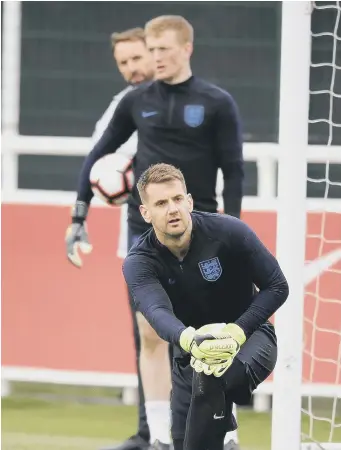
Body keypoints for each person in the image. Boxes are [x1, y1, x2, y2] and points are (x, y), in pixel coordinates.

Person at [65, 15, 244, 450]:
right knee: (150, 331)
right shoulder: (134, 101)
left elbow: (234, 173)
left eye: (163, 48)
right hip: (143, 232)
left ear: (186, 49)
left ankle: (226, 429)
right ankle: (160, 436)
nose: (155, 56)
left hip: (202, 228)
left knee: (213, 332)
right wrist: (78, 214)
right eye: (152, 47)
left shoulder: (217, 102)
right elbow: (98, 153)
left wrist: (234, 235)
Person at [122, 163, 289, 450]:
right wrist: (189, 339)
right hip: (191, 354)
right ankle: (223, 432)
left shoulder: (229, 232)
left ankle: (223, 425)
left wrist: (237, 332)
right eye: (161, 203)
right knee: (185, 440)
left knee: (215, 381)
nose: (172, 209)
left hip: (251, 337)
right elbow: (157, 312)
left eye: (177, 199)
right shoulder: (139, 262)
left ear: (189, 201)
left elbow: (277, 286)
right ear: (145, 213)